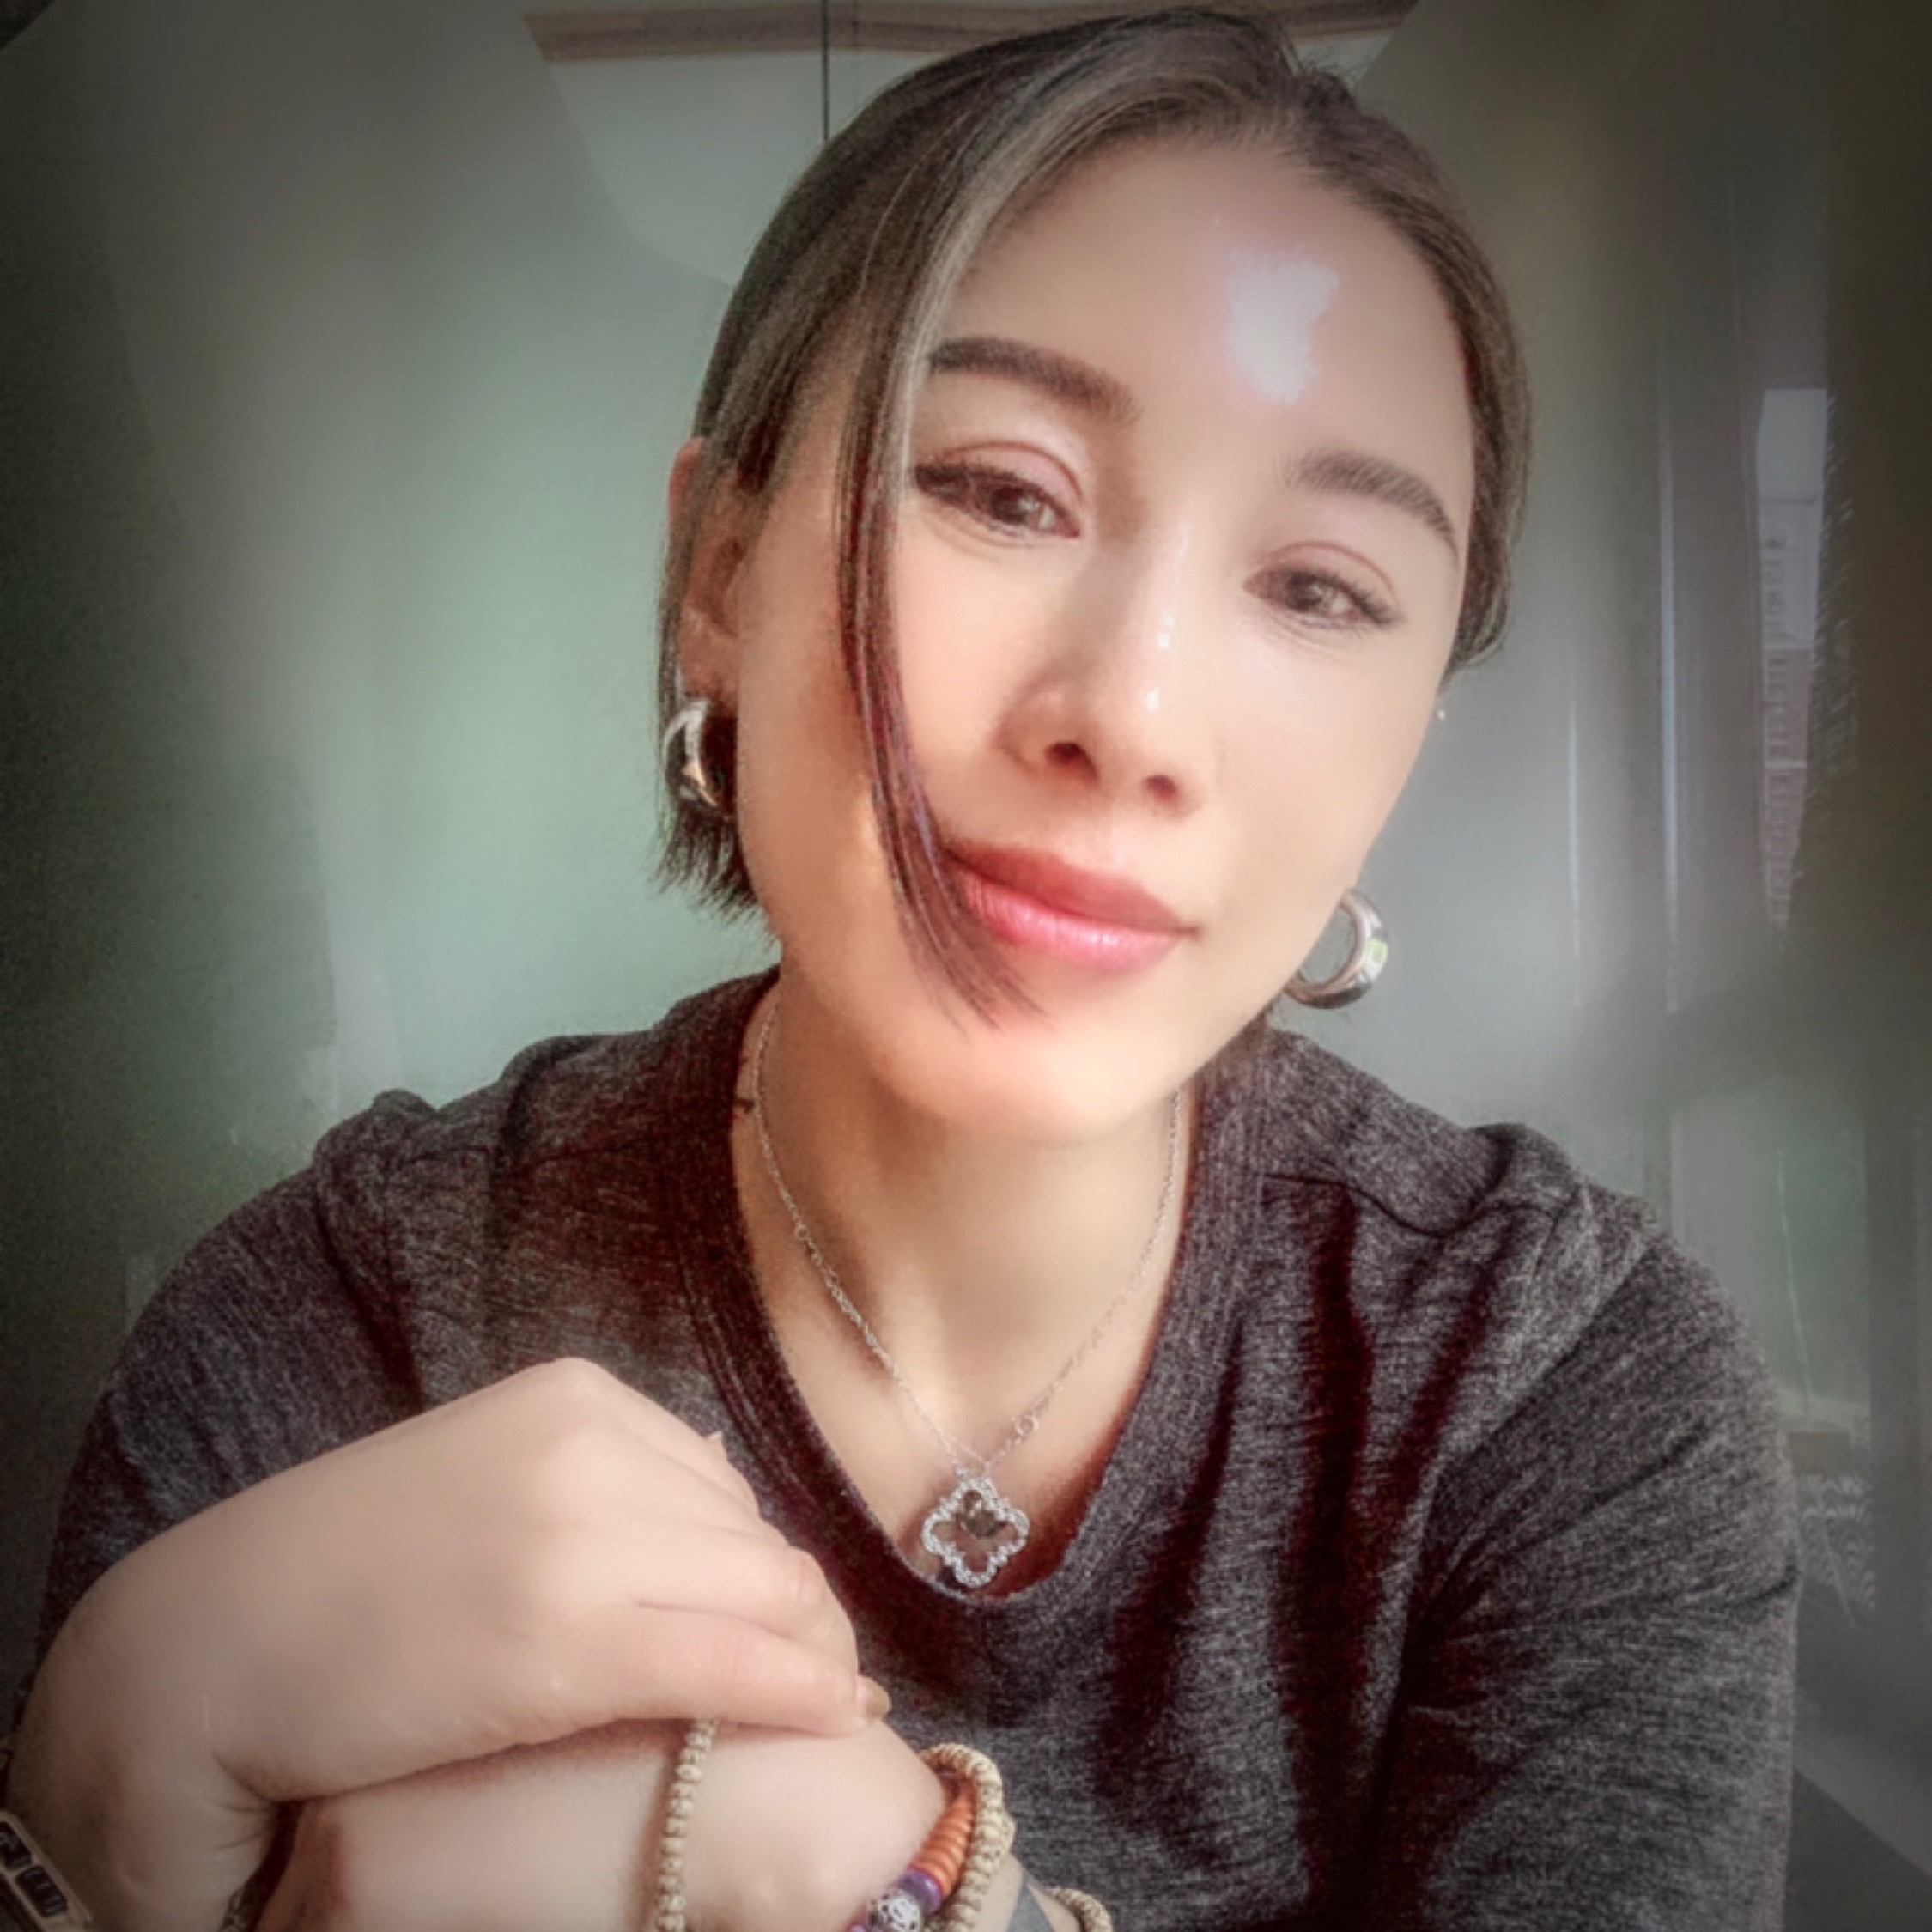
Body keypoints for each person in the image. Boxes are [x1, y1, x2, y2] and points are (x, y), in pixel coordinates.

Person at [3, 10, 1797, 1931]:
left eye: (1320, 589)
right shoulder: (343, 1322)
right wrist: (102, 1788)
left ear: (1400, 746)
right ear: (721, 571)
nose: (1132, 718)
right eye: (1003, 490)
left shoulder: (1565, 1399)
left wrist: (888, 1887)